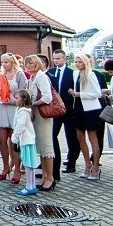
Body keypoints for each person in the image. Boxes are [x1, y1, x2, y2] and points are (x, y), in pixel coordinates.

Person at [68, 54, 104, 180]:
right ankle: (87, 165)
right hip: (78, 107)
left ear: (85, 63)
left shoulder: (91, 75)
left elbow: (97, 93)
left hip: (90, 109)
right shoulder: (75, 74)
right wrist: (74, 93)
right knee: (79, 136)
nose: (77, 64)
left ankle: (95, 167)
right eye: (76, 62)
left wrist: (80, 94)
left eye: (80, 62)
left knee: (92, 137)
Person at [0, 53, 28, 182]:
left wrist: (13, 101)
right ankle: (5, 166)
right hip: (1, 109)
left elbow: (24, 94)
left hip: (14, 109)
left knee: (15, 140)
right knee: (1, 139)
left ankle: (17, 170)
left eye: (7, 62)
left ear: (13, 63)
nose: (4, 64)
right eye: (2, 62)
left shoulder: (19, 75)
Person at [25, 55, 56, 191]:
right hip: (36, 115)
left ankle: (50, 177)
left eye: (31, 63)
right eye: (27, 64)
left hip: (43, 114)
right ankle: (44, 175)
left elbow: (47, 97)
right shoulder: (32, 77)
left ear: (37, 64)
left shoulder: (41, 76)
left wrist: (33, 104)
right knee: (41, 148)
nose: (28, 66)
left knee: (46, 146)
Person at [47, 50, 78, 179]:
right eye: (54, 58)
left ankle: (71, 162)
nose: (56, 61)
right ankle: (52, 165)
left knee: (71, 136)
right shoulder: (50, 72)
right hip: (55, 111)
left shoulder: (72, 73)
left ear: (64, 59)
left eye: (58, 58)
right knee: (52, 135)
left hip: (69, 110)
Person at [11, 89, 39, 196]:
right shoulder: (24, 110)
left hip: (26, 140)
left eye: (17, 98)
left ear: (23, 99)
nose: (15, 99)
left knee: (27, 164)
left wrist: (15, 137)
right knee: (29, 164)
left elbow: (20, 126)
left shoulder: (23, 112)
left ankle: (29, 186)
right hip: (29, 140)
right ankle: (32, 186)